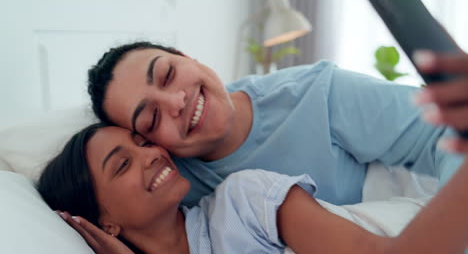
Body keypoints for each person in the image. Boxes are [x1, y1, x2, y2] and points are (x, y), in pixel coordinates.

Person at [87, 41, 463, 207]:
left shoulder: (316, 92)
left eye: (168, 74)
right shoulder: (172, 184)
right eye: (152, 117)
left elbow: (445, 133)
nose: (177, 102)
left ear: (188, 57)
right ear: (148, 142)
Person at [37, 124, 468, 254]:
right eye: (123, 164)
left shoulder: (244, 201)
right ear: (105, 223)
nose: (152, 154)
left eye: (143, 141)